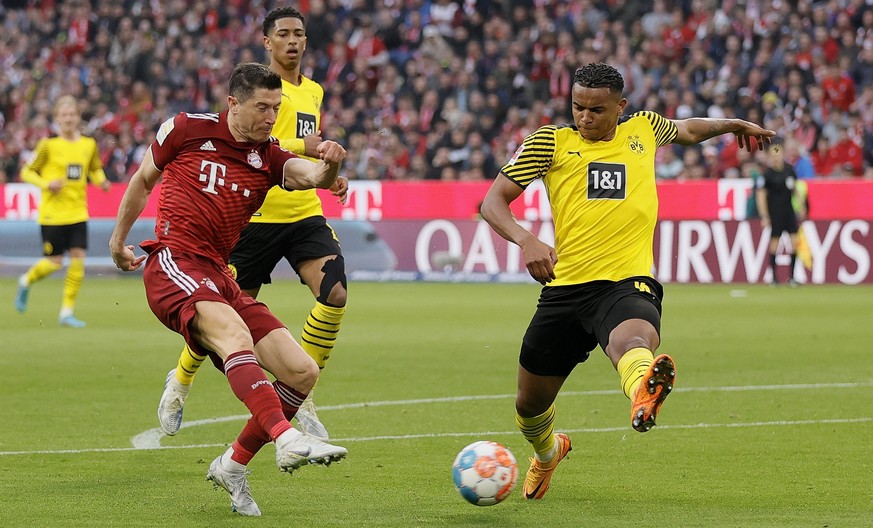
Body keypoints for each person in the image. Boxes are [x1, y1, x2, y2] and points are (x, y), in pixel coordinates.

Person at [479, 62, 775, 500]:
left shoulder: (644, 129)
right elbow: (492, 202)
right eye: (577, 107)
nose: (584, 117)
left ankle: (642, 391)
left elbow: (689, 129)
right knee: (529, 405)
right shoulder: (549, 142)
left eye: (596, 110)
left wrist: (730, 124)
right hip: (564, 289)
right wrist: (526, 240)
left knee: (632, 339)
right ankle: (547, 452)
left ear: (621, 107)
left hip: (626, 281)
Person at [109, 62, 349, 517]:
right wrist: (118, 241)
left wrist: (331, 162)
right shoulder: (184, 130)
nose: (271, 117)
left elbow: (313, 177)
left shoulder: (270, 156)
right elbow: (143, 181)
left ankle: (233, 465)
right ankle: (285, 436)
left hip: (219, 274)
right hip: (174, 262)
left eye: (277, 108)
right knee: (235, 337)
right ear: (233, 104)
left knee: (301, 372)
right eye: (262, 107)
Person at [157, 6, 349, 443]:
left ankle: (302, 394)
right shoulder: (257, 88)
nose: (293, 41)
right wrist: (308, 145)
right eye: (283, 34)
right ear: (267, 42)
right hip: (252, 217)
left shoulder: (314, 91)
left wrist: (328, 173)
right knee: (222, 321)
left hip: (301, 213)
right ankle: (181, 380)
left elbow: (297, 157)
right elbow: (251, 141)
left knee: (335, 290)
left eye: (299, 34)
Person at [15, 95, 111, 327]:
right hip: (52, 214)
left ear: (78, 118)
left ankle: (66, 312)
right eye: (64, 115)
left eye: (72, 115)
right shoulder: (48, 145)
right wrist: (47, 185)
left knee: (78, 259)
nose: (68, 119)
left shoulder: (88, 144)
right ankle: (26, 280)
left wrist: (102, 182)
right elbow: (27, 172)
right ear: (57, 119)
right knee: (54, 262)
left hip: (78, 212)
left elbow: (94, 169)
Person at [755, 139, 806, 286]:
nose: (776, 156)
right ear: (770, 155)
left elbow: (795, 189)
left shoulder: (789, 170)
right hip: (775, 212)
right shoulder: (768, 175)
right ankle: (774, 277)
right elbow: (761, 196)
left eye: (778, 152)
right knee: (774, 243)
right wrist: (764, 215)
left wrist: (801, 205)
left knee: (794, 242)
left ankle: (793, 277)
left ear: (782, 152)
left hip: (788, 211)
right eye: (773, 153)